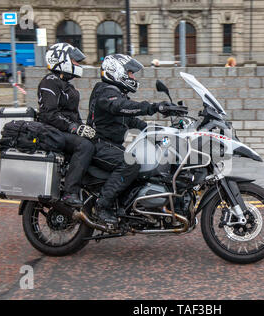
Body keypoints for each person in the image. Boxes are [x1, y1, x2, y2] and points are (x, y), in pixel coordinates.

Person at [87, 54, 186, 225]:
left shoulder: (117, 94)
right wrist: (154, 107)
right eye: (130, 73)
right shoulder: (105, 91)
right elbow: (121, 107)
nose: (133, 77)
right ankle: (102, 206)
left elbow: (131, 120)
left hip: (111, 145)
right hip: (100, 145)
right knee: (130, 164)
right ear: (116, 71)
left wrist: (157, 131)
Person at [37, 43, 95, 207]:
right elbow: (49, 114)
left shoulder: (65, 84)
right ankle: (70, 192)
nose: (78, 64)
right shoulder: (49, 82)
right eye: (74, 61)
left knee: (96, 143)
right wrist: (74, 128)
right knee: (85, 146)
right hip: (52, 132)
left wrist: (84, 127)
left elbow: (72, 114)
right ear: (61, 60)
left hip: (62, 130)